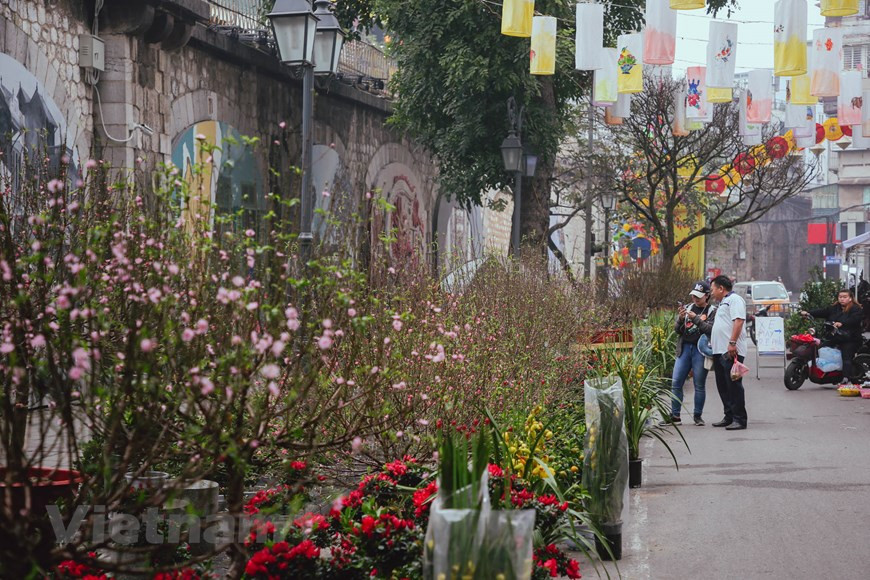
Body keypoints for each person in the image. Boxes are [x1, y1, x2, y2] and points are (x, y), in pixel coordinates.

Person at [660, 281, 716, 426]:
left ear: (707, 296)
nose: (695, 299)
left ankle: (698, 416)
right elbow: (677, 330)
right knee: (676, 382)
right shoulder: (687, 308)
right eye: (693, 296)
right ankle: (675, 415)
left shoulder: (712, 311)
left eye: (699, 296)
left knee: (699, 384)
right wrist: (679, 319)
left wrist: (695, 319)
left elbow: (710, 330)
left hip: (700, 350)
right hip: (684, 348)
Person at [709, 275, 749, 430]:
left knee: (734, 385)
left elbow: (738, 321)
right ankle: (729, 415)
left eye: (713, 289)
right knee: (722, 385)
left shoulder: (734, 300)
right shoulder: (722, 303)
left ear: (721, 288)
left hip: (731, 351)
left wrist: (732, 343)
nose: (712, 293)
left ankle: (740, 419)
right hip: (719, 351)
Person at [801, 288, 863, 383]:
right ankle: (828, 374)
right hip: (836, 337)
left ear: (850, 298)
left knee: (846, 356)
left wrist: (842, 323)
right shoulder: (835, 308)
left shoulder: (856, 309)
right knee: (821, 348)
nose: (842, 299)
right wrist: (808, 313)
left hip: (850, 338)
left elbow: (855, 320)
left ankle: (846, 378)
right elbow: (823, 311)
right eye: (840, 297)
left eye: (845, 297)